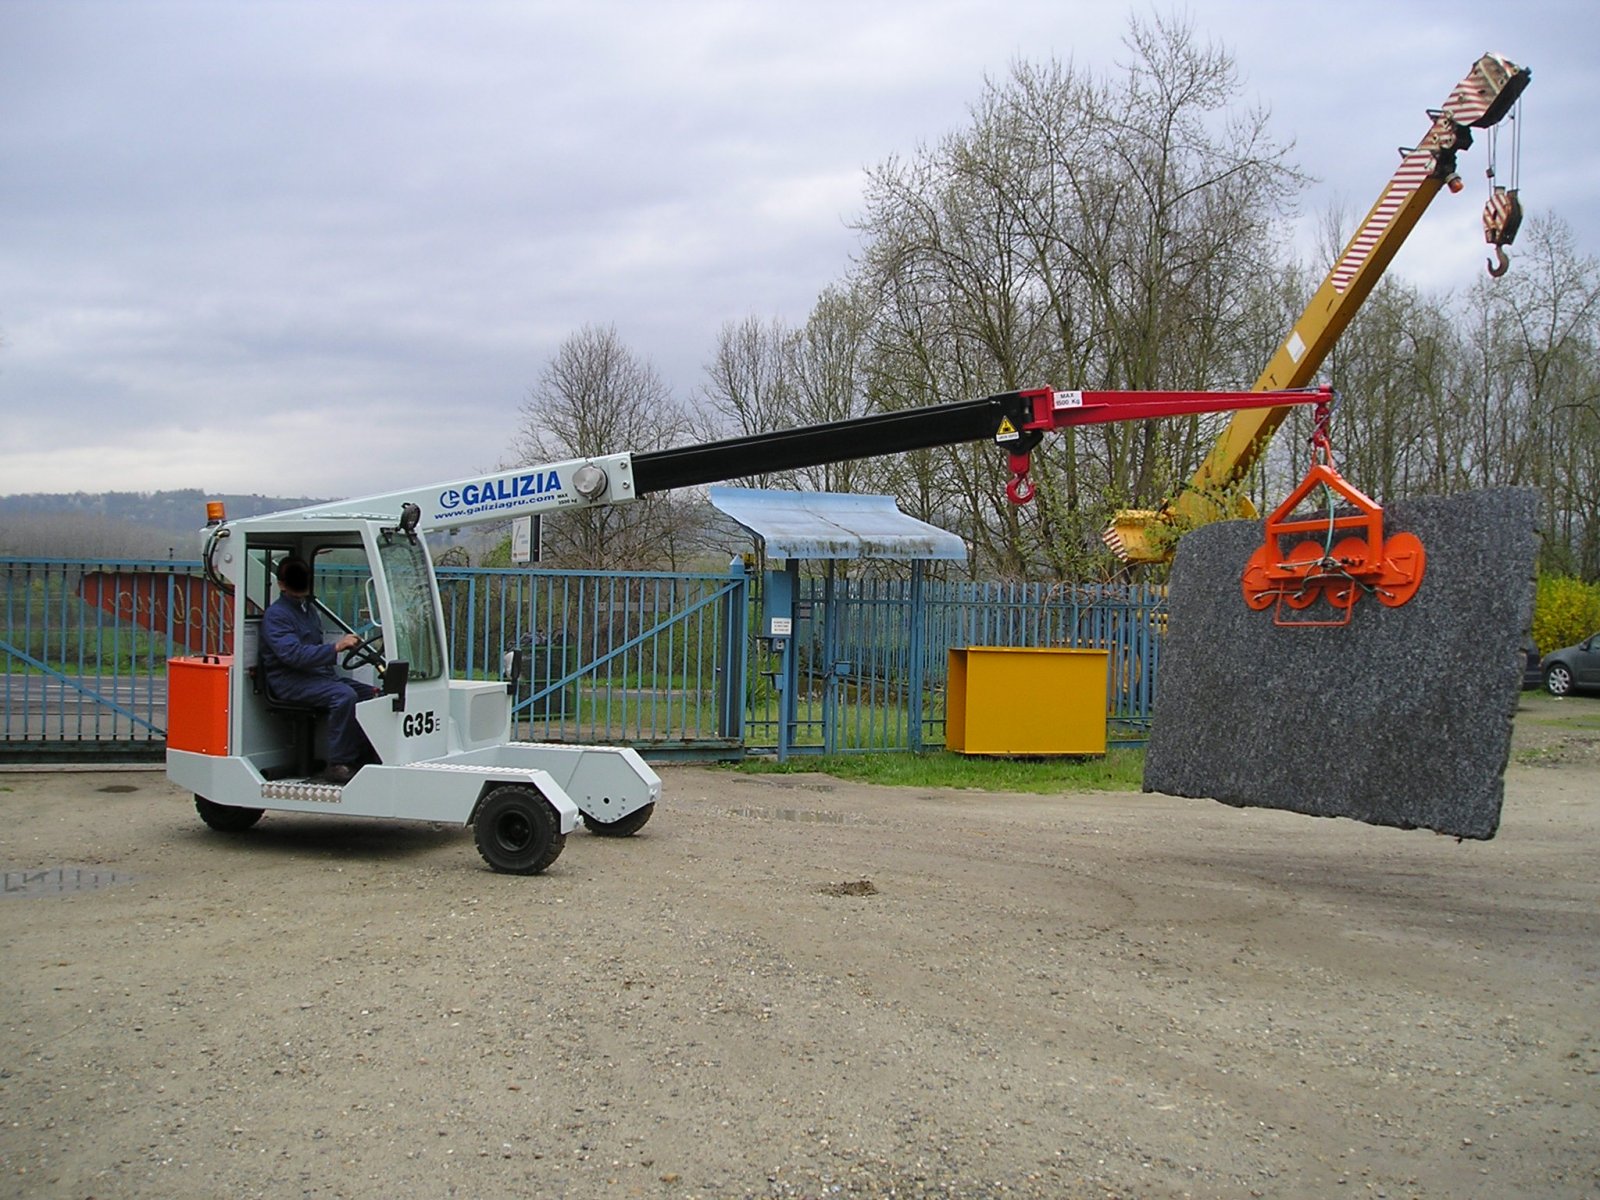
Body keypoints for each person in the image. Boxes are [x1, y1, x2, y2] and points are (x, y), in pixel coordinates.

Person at [259, 556, 377, 784]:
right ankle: (339, 763)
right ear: (281, 584)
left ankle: (364, 757)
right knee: (344, 696)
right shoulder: (277, 615)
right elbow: (292, 655)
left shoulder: (308, 610)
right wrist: (336, 648)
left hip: (318, 676)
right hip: (289, 681)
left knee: (371, 694)